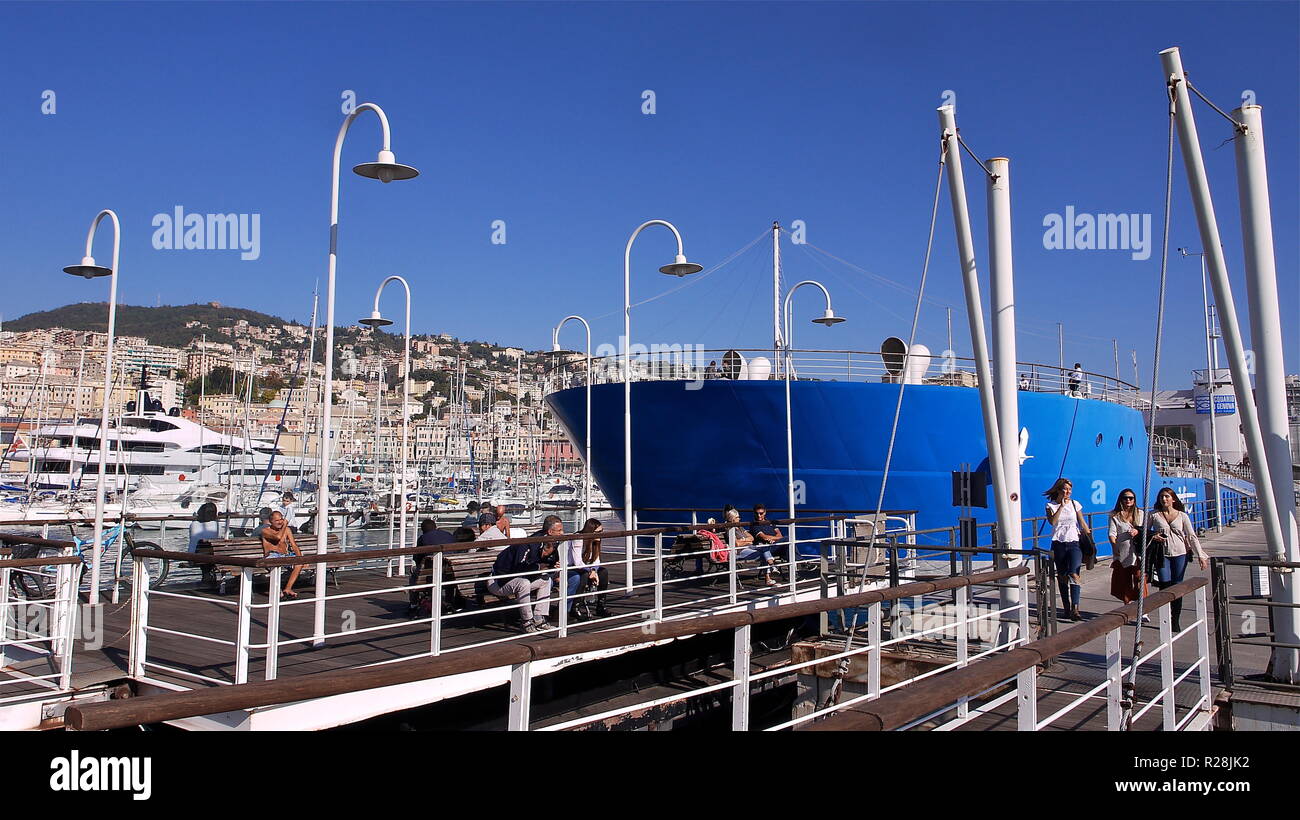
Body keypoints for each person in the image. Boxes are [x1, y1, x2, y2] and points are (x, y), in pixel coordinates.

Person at [1147, 487, 1208, 631]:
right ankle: (1165, 618)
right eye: (1161, 496)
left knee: (1177, 585)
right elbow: (1145, 531)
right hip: (1162, 554)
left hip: (1180, 553)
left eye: (1167, 496)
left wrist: (1200, 555)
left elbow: (1191, 536)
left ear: (1173, 499)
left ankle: (1175, 619)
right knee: (1164, 584)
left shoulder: (1182, 516)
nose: (1164, 499)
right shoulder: (1153, 515)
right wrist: (1153, 536)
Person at [486, 536, 557, 632]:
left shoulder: (539, 552)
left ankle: (539, 618)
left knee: (545, 580)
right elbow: (515, 571)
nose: (544, 556)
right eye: (544, 553)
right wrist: (538, 567)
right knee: (524, 583)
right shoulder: (522, 548)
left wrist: (551, 568)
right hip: (498, 582)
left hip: (517, 581)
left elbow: (537, 570)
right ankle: (526, 621)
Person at [1044, 478, 1091, 621]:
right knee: (1063, 575)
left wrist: (1090, 540)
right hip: (1058, 543)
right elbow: (1053, 522)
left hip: (1074, 543)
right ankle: (1066, 607)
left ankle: (1075, 608)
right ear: (1058, 490)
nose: (1068, 492)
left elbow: (1082, 522)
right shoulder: (1050, 506)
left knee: (1074, 573)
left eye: (1070, 489)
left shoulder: (1075, 504)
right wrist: (1061, 507)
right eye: (1065, 489)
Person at [1107, 488, 1148, 615]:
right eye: (1125, 498)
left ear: (1134, 500)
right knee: (1125, 580)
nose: (1128, 500)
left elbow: (1145, 528)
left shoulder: (1140, 513)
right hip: (1123, 552)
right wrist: (1114, 548)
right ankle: (1127, 606)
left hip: (1138, 551)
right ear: (1121, 499)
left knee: (1140, 578)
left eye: (1131, 498)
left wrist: (1138, 531)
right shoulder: (1115, 516)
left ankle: (1143, 609)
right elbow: (1112, 534)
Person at [408, 518, 455, 613]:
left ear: (423, 530)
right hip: (452, 574)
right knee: (447, 572)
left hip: (431, 576)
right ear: (436, 527)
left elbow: (417, 559)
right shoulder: (448, 535)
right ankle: (449, 601)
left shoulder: (423, 538)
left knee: (414, 574)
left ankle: (414, 604)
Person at [567, 518, 610, 620]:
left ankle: (601, 606)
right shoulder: (578, 538)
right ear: (590, 531)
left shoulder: (595, 542)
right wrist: (591, 571)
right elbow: (577, 562)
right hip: (571, 567)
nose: (600, 534)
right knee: (583, 575)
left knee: (603, 572)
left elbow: (596, 560)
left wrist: (594, 570)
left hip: (585, 568)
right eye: (598, 532)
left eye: (601, 531)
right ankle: (575, 608)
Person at [261, 510, 304, 598]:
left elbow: (294, 545)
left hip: (285, 556)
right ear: (271, 522)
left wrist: (300, 558)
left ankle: (288, 588)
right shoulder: (265, 531)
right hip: (272, 555)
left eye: (281, 519)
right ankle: (277, 590)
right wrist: (284, 525)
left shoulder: (287, 530)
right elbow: (277, 537)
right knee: (276, 564)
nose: (280, 522)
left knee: (299, 564)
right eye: (277, 520)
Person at [748, 504, 787, 582]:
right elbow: (764, 537)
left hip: (774, 545)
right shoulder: (754, 524)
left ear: (765, 512)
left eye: (761, 513)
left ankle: (795, 572)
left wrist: (774, 539)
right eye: (757, 513)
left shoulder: (770, 522)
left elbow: (780, 535)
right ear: (754, 513)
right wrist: (774, 539)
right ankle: (772, 570)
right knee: (786, 539)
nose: (759, 515)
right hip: (765, 547)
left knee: (788, 542)